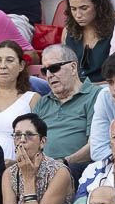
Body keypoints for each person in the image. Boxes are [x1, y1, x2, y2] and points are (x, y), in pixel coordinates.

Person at [33, 44, 100, 175]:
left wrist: (64, 162)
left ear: (73, 67)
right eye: (44, 71)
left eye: (54, 68)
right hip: (42, 169)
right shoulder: (43, 102)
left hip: (77, 168)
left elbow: (95, 144)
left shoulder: (95, 96)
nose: (49, 75)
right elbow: (31, 140)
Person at [62, 0, 113, 84]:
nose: (78, 15)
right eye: (73, 9)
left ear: (99, 6)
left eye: (84, 8)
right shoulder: (67, 32)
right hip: (75, 89)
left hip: (105, 89)